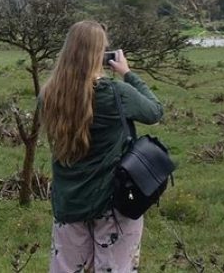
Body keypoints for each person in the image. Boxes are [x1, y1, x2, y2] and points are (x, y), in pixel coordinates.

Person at [40, 20, 164, 272]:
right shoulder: (115, 92)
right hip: (113, 201)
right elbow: (154, 111)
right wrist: (128, 73)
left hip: (69, 201)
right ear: (99, 54)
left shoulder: (49, 95)